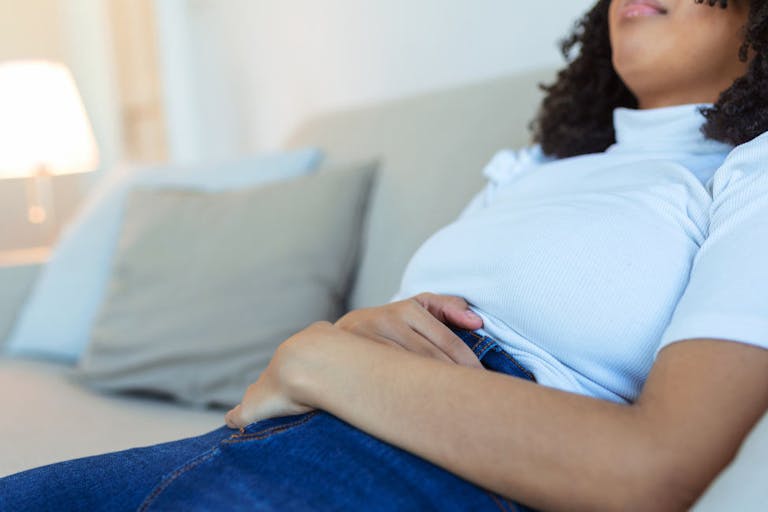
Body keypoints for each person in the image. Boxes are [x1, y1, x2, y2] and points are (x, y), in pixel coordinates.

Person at [3, 0, 768, 510]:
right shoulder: (538, 167)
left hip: (448, 468)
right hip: (314, 426)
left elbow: (653, 471)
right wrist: (351, 342)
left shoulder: (752, 170)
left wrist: (319, 357)